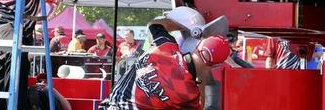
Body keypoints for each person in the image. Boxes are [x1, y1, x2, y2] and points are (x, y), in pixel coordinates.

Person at [97, 8, 230, 110]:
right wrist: (201, 78)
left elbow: (154, 25)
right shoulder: (190, 95)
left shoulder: (165, 46)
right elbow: (201, 105)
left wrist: (184, 25)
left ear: (198, 46)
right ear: (214, 66)